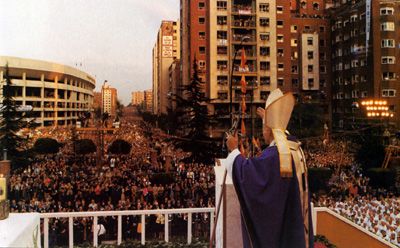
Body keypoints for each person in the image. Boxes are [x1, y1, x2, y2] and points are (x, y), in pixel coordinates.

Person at [225, 88, 313, 248]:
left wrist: (233, 151)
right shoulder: (294, 148)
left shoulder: (277, 155)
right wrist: (269, 118)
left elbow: (250, 178)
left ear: (269, 129)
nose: (262, 132)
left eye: (263, 126)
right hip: (295, 230)